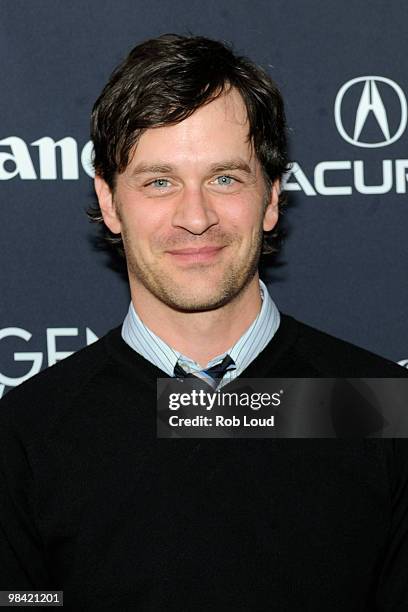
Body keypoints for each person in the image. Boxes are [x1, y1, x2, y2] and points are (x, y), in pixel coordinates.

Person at [0, 34, 407, 611]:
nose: (195, 217)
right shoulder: (25, 435)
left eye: (225, 178)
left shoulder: (381, 408)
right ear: (111, 202)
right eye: (159, 181)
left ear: (271, 198)